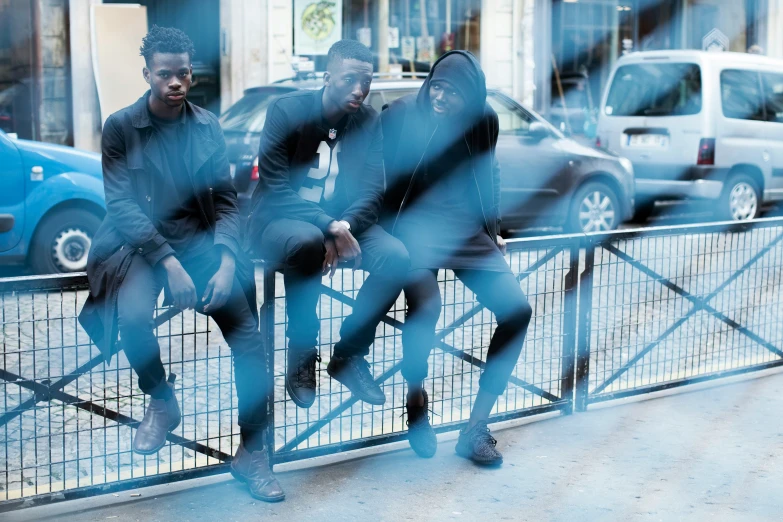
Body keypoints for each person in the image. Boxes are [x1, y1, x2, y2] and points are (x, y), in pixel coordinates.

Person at [78, 26, 284, 502]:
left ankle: (253, 453)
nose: (176, 82)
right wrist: (168, 262)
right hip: (141, 245)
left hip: (203, 244)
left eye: (184, 74)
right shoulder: (121, 126)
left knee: (252, 347)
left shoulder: (208, 126)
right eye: (165, 74)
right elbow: (122, 205)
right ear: (147, 73)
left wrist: (229, 261)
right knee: (131, 317)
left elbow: (227, 201)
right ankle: (161, 400)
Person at [381, 50, 533, 466]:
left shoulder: (484, 120)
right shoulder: (401, 116)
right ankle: (415, 399)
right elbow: (374, 173)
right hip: (413, 232)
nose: (441, 96)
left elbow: (490, 173)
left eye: (453, 92)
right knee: (427, 306)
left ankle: (475, 428)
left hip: (465, 232)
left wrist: (493, 228)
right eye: (437, 85)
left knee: (517, 311)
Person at [247, 40, 409, 409]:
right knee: (306, 242)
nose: (359, 90)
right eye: (349, 79)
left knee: (397, 257)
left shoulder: (367, 120)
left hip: (342, 224)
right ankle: (301, 352)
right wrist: (328, 227)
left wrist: (344, 226)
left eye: (366, 81)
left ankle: (349, 354)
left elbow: (372, 190)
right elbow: (274, 186)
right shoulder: (287, 110)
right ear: (327, 76)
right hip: (279, 222)